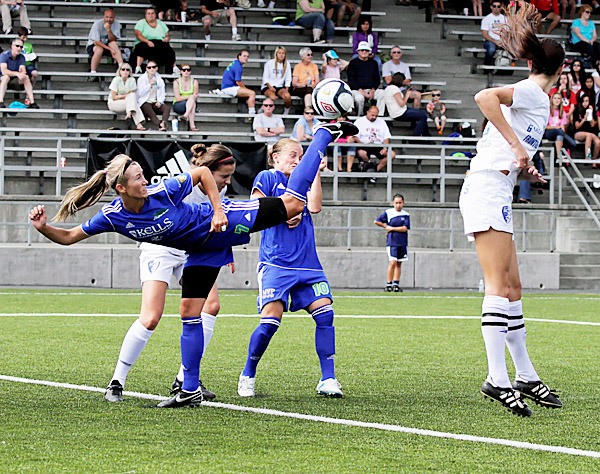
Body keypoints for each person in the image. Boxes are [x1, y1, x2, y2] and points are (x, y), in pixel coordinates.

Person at [29, 119, 359, 408]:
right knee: (189, 313)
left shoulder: (162, 192)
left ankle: (323, 134)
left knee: (291, 203)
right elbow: (70, 235)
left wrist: (217, 210)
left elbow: (202, 173)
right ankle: (189, 390)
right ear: (120, 188)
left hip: (223, 221)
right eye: (137, 179)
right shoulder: (113, 216)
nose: (145, 181)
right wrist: (44, 228)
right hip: (200, 249)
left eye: (143, 175)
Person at [458, 1, 564, 417]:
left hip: (498, 189)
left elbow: (508, 143)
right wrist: (519, 148)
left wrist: (527, 168)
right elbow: (484, 96)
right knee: (497, 287)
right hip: (485, 189)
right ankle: (496, 379)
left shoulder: (539, 101)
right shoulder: (531, 92)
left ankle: (525, 374)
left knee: (514, 289)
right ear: (560, 69)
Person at [104, 145, 236, 403]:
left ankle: (185, 380)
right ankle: (116, 381)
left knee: (211, 306)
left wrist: (226, 250)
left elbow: (214, 220)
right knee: (151, 317)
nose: (227, 183)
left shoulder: (217, 191)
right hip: (161, 248)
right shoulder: (185, 185)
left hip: (191, 251)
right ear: (207, 172)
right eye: (223, 177)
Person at [237, 138, 343, 399]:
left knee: (325, 315)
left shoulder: (304, 180)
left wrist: (315, 171)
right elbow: (256, 210)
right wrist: (284, 211)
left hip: (308, 264)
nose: (298, 160)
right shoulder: (267, 177)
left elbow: (315, 206)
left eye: (302, 156)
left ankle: (327, 378)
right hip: (276, 263)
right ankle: (248, 373)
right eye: (293, 155)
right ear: (276, 158)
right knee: (271, 322)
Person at [347, 105, 395, 182]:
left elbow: (386, 137)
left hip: (378, 145)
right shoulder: (359, 121)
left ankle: (374, 170)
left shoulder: (382, 122)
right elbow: (355, 137)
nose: (374, 117)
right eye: (372, 115)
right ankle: (370, 167)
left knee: (392, 154)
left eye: (376, 116)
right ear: (367, 112)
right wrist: (362, 144)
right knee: (362, 153)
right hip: (363, 144)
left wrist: (385, 148)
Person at [374, 193, 410, 293]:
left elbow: (405, 228)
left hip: (402, 242)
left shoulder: (406, 214)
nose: (398, 205)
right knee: (392, 262)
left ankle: (396, 284)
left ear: (403, 203)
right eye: (396, 203)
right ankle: (388, 283)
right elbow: (377, 221)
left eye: (400, 203)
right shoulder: (389, 213)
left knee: (399, 263)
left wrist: (392, 228)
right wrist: (385, 227)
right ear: (393, 203)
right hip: (392, 242)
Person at [132, 7, 177, 76]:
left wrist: (167, 38)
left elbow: (167, 35)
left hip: (159, 43)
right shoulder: (141, 23)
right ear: (145, 15)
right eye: (148, 13)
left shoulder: (161, 23)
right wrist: (147, 41)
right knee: (141, 47)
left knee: (168, 49)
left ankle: (174, 68)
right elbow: (138, 35)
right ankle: (138, 67)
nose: (151, 15)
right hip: (145, 41)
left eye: (152, 13)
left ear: (155, 14)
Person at [384, 72, 429, 137]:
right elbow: (401, 103)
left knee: (421, 113)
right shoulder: (394, 89)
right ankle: (417, 136)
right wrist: (407, 95)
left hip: (397, 112)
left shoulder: (389, 88)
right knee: (423, 115)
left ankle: (426, 135)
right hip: (400, 113)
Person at [347, 41, 384, 116]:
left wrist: (373, 90)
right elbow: (351, 80)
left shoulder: (374, 63)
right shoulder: (353, 63)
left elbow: (377, 79)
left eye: (366, 50)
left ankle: (379, 115)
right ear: (358, 51)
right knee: (359, 98)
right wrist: (361, 91)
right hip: (357, 90)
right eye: (362, 50)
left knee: (382, 94)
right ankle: (359, 115)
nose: (364, 52)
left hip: (371, 89)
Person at [0, 37, 38, 109]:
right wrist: (17, 73)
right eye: (17, 46)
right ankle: (0, 101)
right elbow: (4, 71)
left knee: (26, 77)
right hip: (2, 78)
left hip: (13, 79)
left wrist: (22, 73)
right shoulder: (4, 55)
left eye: (21, 47)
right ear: (12, 46)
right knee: (6, 77)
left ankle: (32, 102)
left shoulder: (21, 57)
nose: (19, 48)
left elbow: (22, 69)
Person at [106, 63, 146, 131]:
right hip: (114, 103)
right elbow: (114, 97)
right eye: (123, 69)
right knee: (133, 102)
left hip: (127, 103)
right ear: (120, 71)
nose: (125, 71)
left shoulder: (132, 80)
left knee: (132, 98)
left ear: (130, 72)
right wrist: (126, 96)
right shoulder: (116, 79)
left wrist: (127, 96)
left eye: (127, 70)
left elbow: (132, 96)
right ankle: (137, 122)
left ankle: (129, 115)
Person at [86, 8, 123, 76]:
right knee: (99, 49)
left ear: (114, 18)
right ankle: (93, 72)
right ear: (104, 16)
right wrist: (110, 49)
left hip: (108, 44)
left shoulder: (117, 24)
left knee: (113, 44)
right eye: (107, 17)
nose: (108, 19)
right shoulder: (97, 24)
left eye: (111, 17)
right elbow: (96, 42)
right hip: (94, 45)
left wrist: (108, 30)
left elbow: (113, 39)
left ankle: (121, 67)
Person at [220, 49, 256, 117]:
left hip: (227, 86)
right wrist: (245, 89)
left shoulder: (235, 63)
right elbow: (238, 81)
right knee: (252, 93)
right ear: (239, 56)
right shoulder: (238, 66)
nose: (246, 58)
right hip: (229, 88)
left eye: (247, 56)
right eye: (244, 56)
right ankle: (252, 114)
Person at [137, 60, 171, 131]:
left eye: (153, 67)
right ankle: (160, 125)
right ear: (146, 69)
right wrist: (150, 85)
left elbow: (162, 93)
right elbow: (140, 93)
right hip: (145, 102)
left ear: (156, 68)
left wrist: (160, 101)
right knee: (149, 110)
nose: (151, 69)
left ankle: (164, 123)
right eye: (149, 67)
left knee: (167, 108)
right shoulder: (141, 79)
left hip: (154, 102)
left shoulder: (159, 79)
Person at [543, 92, 577, 161]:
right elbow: (544, 126)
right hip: (548, 132)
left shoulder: (562, 112)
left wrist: (560, 128)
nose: (557, 100)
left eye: (558, 98)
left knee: (573, 143)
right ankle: (559, 155)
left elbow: (563, 128)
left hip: (559, 132)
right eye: (555, 98)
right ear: (551, 99)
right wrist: (556, 127)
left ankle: (559, 156)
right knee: (559, 131)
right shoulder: (547, 111)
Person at [261, 46, 292, 115]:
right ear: (276, 54)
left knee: (287, 96)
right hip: (268, 86)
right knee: (273, 97)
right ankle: (264, 110)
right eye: (279, 53)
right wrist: (270, 87)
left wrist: (287, 88)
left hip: (279, 86)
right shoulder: (269, 63)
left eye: (283, 53)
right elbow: (265, 78)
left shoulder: (287, 64)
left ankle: (286, 112)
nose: (281, 55)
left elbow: (288, 78)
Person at [572, 93, 600, 161]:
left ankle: (594, 160)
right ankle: (588, 156)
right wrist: (584, 119)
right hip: (578, 133)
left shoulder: (591, 111)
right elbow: (577, 126)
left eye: (587, 101)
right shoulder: (577, 110)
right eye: (583, 101)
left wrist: (591, 113)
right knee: (589, 135)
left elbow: (592, 125)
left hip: (590, 132)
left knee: (598, 142)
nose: (585, 103)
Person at [172, 63, 199, 131]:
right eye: (184, 70)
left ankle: (186, 116)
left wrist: (190, 97)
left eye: (188, 70)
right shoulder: (176, 82)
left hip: (191, 103)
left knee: (192, 101)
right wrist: (189, 97)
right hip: (179, 104)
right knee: (192, 101)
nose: (186, 72)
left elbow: (196, 95)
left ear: (190, 71)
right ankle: (192, 126)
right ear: (181, 71)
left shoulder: (194, 81)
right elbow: (178, 98)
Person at [480, 1, 507, 67]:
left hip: (503, 40)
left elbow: (508, 32)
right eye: (494, 6)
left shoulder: (505, 19)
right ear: (491, 7)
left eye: (498, 6)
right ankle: (487, 66)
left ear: (501, 8)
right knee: (491, 49)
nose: (496, 8)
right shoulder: (486, 19)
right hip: (490, 41)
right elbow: (484, 34)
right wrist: (495, 41)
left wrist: (503, 41)